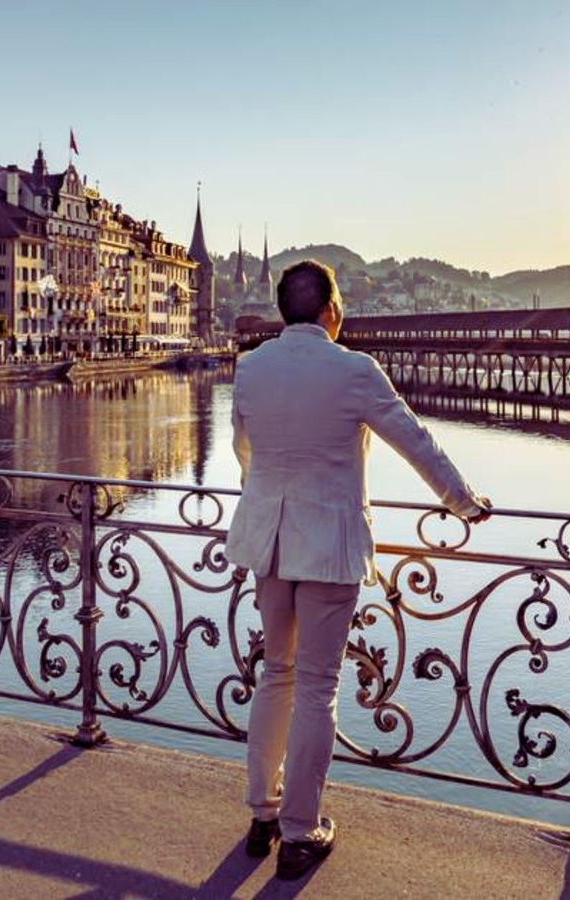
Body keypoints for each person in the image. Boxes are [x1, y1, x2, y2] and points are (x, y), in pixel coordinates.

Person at [226, 259, 490, 880]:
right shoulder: (353, 369)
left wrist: (263, 497)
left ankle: (263, 815)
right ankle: (300, 832)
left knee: (276, 675)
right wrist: (463, 501)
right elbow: (415, 440)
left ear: (283, 311)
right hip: (329, 547)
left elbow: (244, 449)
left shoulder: (251, 367)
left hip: (268, 541)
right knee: (317, 687)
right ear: (331, 311)